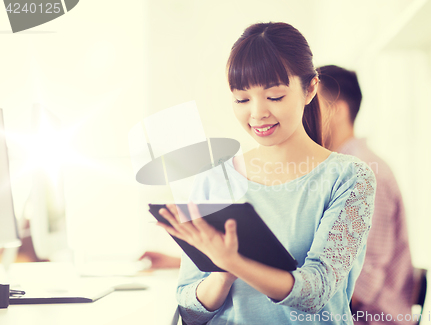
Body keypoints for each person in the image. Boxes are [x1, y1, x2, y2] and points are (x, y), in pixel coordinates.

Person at [157, 23, 376, 325]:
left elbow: (317, 291)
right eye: (242, 99)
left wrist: (237, 262)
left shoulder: (350, 178)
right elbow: (190, 311)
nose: (257, 113)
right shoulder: (213, 179)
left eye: (274, 96)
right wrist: (223, 274)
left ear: (310, 88)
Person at [316, 65, 415, 325]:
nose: (302, 119)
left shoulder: (365, 172)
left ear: (336, 111)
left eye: (311, 107)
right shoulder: (337, 169)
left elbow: (362, 284)